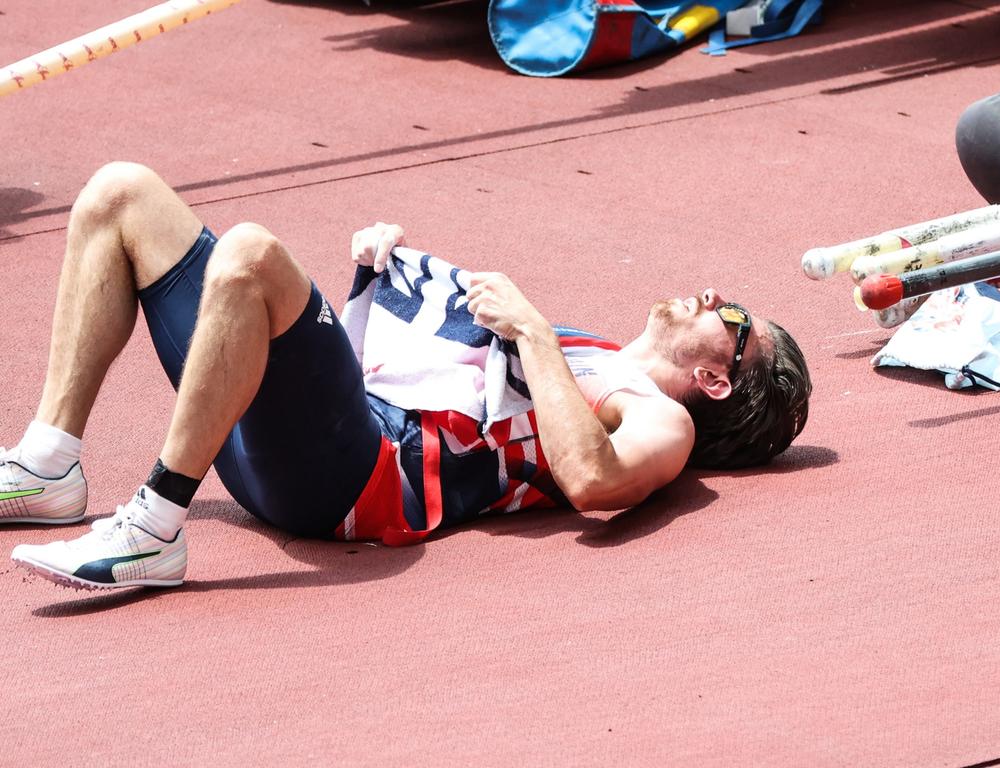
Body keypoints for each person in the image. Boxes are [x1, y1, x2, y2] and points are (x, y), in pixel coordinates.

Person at [2, 162, 811, 591]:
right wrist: (377, 281)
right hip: (324, 431)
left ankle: (152, 529)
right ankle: (50, 467)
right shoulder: (590, 352)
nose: (713, 296)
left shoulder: (659, 421)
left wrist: (530, 328)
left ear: (715, 379)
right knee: (121, 193)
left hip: (361, 479)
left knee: (250, 252)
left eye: (733, 317)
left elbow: (595, 483)